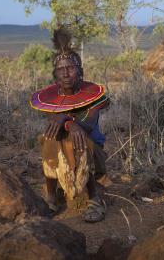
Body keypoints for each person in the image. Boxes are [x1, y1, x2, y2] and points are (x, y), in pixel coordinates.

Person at [30, 27, 109, 223]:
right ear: (55, 75)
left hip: (91, 153)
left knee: (81, 136)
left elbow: (89, 125)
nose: (66, 74)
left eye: (70, 68)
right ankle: (50, 197)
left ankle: (94, 199)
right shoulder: (50, 99)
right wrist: (68, 123)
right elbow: (53, 125)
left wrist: (69, 121)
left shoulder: (93, 97)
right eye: (60, 70)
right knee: (48, 138)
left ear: (80, 72)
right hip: (60, 149)